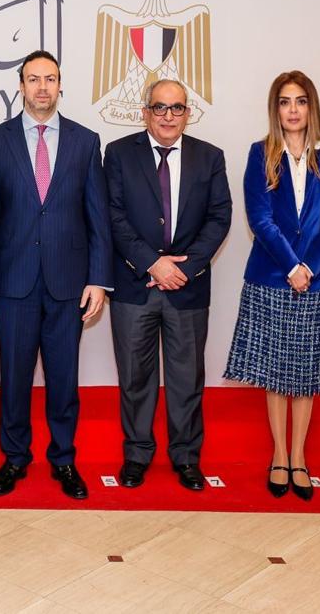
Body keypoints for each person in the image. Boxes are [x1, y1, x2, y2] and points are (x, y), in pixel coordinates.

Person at [0, 50, 111, 500]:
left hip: (68, 284)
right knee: (14, 378)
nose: (41, 87)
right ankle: (15, 458)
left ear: (60, 85)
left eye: (49, 79)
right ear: (21, 86)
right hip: (13, 283)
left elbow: (97, 217)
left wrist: (98, 279)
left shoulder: (85, 141)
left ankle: (64, 459)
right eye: (33, 79)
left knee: (63, 378)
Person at [223, 71, 320, 501]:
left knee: (306, 373)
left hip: (316, 280)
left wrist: (308, 266)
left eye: (300, 101)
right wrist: (291, 265)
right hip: (272, 276)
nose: (292, 110)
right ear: (274, 108)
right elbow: (259, 218)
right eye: (284, 101)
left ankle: (299, 456)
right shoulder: (260, 153)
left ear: (311, 106)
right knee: (277, 373)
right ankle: (279, 454)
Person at [103, 79, 231, 491]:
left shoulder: (209, 157)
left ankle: (186, 457)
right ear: (145, 112)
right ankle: (137, 455)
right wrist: (152, 263)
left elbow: (219, 217)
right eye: (159, 107)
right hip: (134, 285)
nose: (168, 116)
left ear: (187, 114)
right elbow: (113, 215)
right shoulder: (118, 154)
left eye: (177, 108)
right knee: (134, 377)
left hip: (187, 288)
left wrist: (185, 269)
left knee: (186, 379)